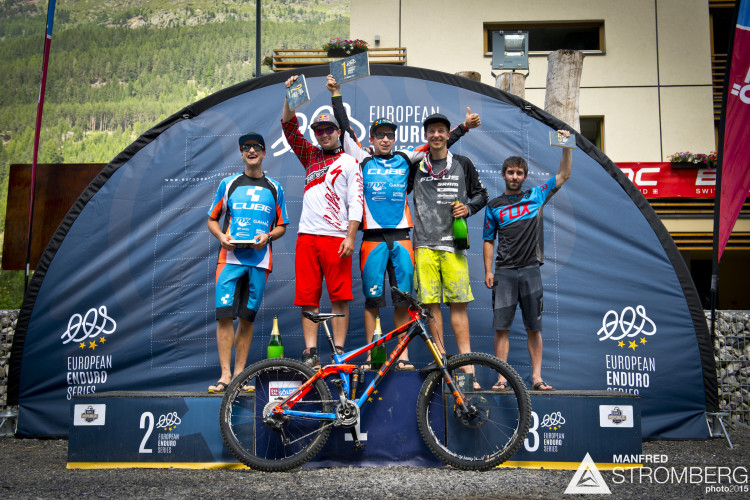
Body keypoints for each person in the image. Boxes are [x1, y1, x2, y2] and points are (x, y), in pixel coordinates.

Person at [326, 75, 481, 370]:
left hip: (402, 239)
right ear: (370, 139)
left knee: (403, 302)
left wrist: (463, 128)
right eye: (379, 135)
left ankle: (402, 357)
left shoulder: (406, 158)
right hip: (371, 239)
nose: (385, 139)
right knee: (373, 303)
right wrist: (336, 94)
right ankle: (375, 355)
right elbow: (345, 127)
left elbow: (438, 144)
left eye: (389, 135)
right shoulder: (361, 158)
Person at [281, 75, 363, 369]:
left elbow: (356, 202)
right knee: (308, 296)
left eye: (329, 129)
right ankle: (311, 352)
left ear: (338, 132)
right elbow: (289, 128)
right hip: (307, 237)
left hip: (336, 236)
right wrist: (291, 94)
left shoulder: (351, 162)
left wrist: (351, 236)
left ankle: (339, 351)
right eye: (319, 130)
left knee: (340, 296)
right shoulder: (310, 156)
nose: (324, 133)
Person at [482, 130, 573, 391]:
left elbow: (564, 175)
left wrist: (566, 146)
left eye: (519, 173)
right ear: (503, 175)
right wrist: (488, 271)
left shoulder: (536, 195)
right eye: (510, 172)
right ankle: (501, 379)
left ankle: (537, 378)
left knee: (534, 327)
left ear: (524, 176)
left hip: (531, 271)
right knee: (502, 329)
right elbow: (488, 240)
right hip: (504, 273)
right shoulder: (494, 205)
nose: (514, 177)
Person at [206, 132, 289, 393]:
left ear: (264, 153)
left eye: (256, 147)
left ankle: (240, 375)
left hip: (259, 261)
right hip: (229, 259)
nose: (251, 151)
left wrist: (268, 235)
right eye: (246, 148)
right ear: (241, 154)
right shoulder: (228, 184)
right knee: (224, 316)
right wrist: (221, 236)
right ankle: (225, 375)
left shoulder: (275, 187)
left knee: (247, 318)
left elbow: (282, 226)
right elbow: (212, 219)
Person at [411, 113, 489, 361]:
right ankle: (442, 361)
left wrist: (468, 208)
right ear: (425, 136)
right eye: (431, 131)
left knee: (458, 307)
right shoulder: (416, 165)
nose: (436, 135)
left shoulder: (463, 163)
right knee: (431, 308)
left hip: (454, 247)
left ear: (447, 134)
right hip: (424, 246)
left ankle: (466, 365)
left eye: (441, 131)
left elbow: (482, 194)